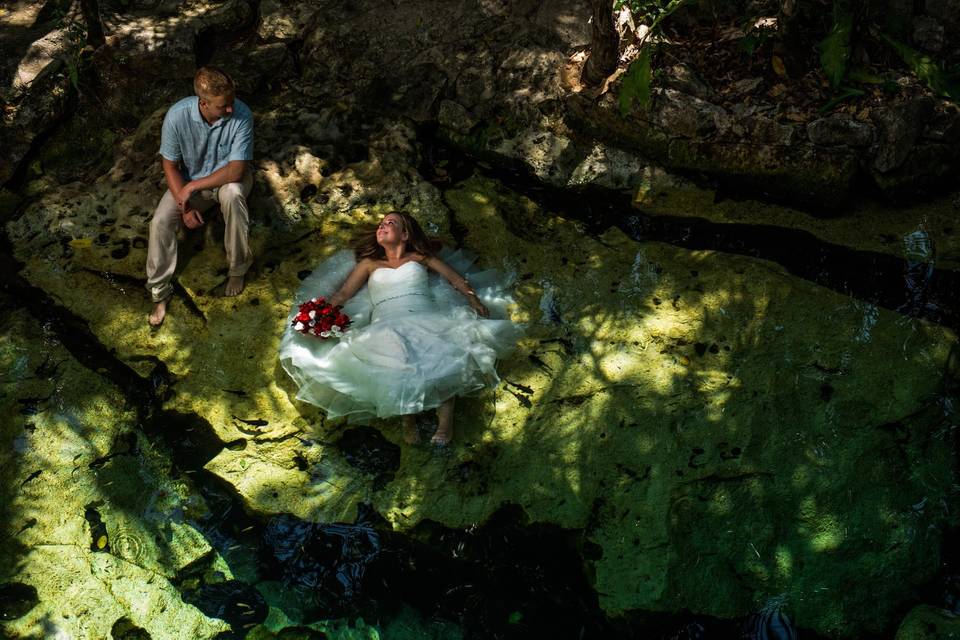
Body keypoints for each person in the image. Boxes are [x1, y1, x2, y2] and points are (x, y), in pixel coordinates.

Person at [278, 212, 522, 446]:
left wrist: (473, 299)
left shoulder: (420, 258)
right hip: (386, 320)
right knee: (395, 357)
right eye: (381, 224)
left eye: (390, 223)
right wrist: (319, 316)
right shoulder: (369, 264)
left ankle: (445, 421)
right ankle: (408, 417)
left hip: (424, 314)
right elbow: (343, 294)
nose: (382, 226)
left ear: (405, 234)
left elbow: (455, 278)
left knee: (443, 353)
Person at [146, 66, 254, 327]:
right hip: (191, 182)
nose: (230, 109)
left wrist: (192, 188)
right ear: (203, 103)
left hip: (229, 180)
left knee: (233, 195)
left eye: (231, 102)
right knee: (160, 221)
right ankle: (159, 293)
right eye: (223, 106)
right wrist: (184, 207)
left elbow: (236, 170)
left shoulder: (242, 114)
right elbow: (169, 166)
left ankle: (237, 270)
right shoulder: (177, 116)